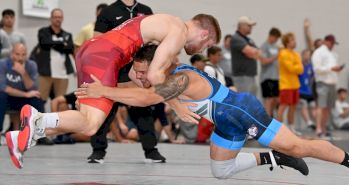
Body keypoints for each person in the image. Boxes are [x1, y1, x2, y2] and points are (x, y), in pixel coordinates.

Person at [76, 45, 349, 185]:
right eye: (138, 72)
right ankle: (272, 158)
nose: (140, 77)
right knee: (221, 170)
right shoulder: (159, 74)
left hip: (242, 111)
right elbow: (137, 85)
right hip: (224, 119)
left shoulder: (180, 78)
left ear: (160, 65)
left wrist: (105, 89)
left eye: (145, 72)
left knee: (299, 146)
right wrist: (114, 83)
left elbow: (144, 97)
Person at [6, 13, 221, 168]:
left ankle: (20, 137)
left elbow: (138, 74)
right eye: (207, 45)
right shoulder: (179, 31)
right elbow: (156, 76)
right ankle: (37, 120)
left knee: (85, 118)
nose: (203, 50)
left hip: (94, 50)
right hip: (105, 55)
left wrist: (139, 84)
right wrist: (177, 105)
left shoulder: (166, 22)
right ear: (204, 34)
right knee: (91, 124)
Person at [87, 0, 158, 164]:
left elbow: (153, 40)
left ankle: (151, 151)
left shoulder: (145, 10)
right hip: (115, 70)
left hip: (139, 70)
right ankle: (98, 151)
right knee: (106, 109)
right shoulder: (108, 11)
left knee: (143, 108)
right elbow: (97, 40)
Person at [0, 43, 44, 138]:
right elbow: (3, 87)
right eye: (17, 54)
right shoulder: (3, 64)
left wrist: (23, 73)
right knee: (1, 96)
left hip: (23, 99)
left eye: (23, 54)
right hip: (8, 99)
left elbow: (33, 88)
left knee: (37, 97)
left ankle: (40, 134)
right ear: (12, 54)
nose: (20, 58)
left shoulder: (31, 65)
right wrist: (25, 94)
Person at [33, 8, 74, 103]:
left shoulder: (67, 35)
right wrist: (61, 44)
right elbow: (44, 43)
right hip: (45, 72)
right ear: (51, 18)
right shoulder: (43, 31)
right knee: (40, 100)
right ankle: (39, 118)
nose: (57, 19)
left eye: (59, 17)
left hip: (62, 74)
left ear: (62, 18)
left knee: (59, 102)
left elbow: (69, 49)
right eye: (55, 17)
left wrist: (53, 44)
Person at [312, 34, 344, 138]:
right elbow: (317, 68)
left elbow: (333, 69)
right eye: (331, 43)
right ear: (326, 41)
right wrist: (331, 69)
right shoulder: (318, 52)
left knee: (328, 107)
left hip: (332, 83)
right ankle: (318, 129)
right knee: (321, 106)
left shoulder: (333, 54)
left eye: (334, 44)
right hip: (323, 83)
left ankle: (324, 128)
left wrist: (337, 69)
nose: (332, 45)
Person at [277, 32, 303, 134]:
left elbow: (301, 69)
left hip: (295, 84)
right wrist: (296, 66)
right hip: (286, 84)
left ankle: (291, 127)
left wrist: (297, 66)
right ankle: (279, 129)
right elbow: (291, 68)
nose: (294, 42)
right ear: (287, 42)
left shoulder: (296, 54)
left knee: (293, 107)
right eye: (292, 40)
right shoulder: (283, 53)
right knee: (283, 106)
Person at [230, 16, 260, 95]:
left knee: (250, 102)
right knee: (243, 101)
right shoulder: (236, 38)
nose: (251, 28)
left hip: (250, 75)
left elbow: (258, 53)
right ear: (242, 26)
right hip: (242, 76)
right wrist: (253, 53)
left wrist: (253, 53)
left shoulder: (248, 40)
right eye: (249, 26)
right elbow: (251, 52)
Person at [259, 27, 281, 117]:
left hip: (276, 77)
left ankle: (272, 117)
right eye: (276, 38)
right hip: (267, 77)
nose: (276, 40)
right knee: (269, 99)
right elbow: (263, 61)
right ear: (271, 36)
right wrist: (276, 56)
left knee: (277, 99)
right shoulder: (264, 46)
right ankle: (268, 119)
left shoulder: (276, 47)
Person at [299, 49, 316, 129]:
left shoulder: (310, 66)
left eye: (309, 55)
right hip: (300, 90)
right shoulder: (299, 65)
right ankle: (308, 122)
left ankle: (317, 123)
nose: (307, 56)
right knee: (304, 104)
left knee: (313, 105)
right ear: (302, 55)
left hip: (308, 91)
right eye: (306, 54)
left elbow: (313, 76)